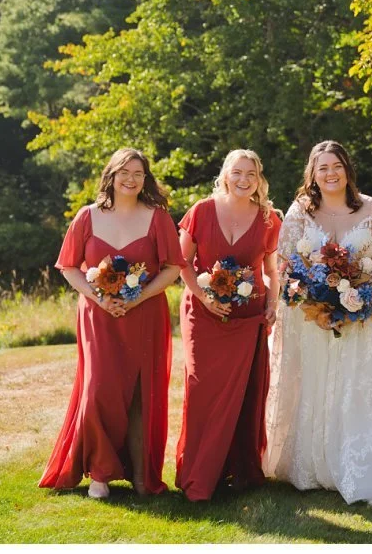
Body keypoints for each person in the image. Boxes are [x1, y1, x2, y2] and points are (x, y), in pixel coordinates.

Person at [264, 140, 372, 507]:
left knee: (361, 386)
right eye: (322, 168)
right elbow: (284, 263)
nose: (330, 173)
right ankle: (315, 467)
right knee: (318, 386)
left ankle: (369, 473)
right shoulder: (300, 210)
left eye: (336, 166)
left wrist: (361, 294)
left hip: (364, 317)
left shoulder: (371, 208)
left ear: (347, 170)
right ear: (313, 174)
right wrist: (314, 296)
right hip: (313, 319)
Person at [39, 148, 185, 499]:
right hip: (98, 317)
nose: (131, 179)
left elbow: (173, 268)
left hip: (144, 315)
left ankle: (139, 473)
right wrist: (98, 296)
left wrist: (139, 296)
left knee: (139, 395)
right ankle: (101, 472)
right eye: (125, 172)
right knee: (98, 391)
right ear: (112, 175)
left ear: (145, 178)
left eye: (138, 173)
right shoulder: (87, 217)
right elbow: (70, 267)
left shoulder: (157, 217)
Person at [175, 149, 282, 501]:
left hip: (248, 317)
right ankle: (201, 474)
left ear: (259, 178)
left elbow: (271, 270)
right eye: (237, 172)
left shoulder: (268, 219)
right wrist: (205, 297)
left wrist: (271, 303)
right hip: (203, 313)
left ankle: (239, 470)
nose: (244, 179)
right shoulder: (202, 211)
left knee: (245, 392)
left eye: (251, 173)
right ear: (225, 174)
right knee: (202, 386)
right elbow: (182, 262)